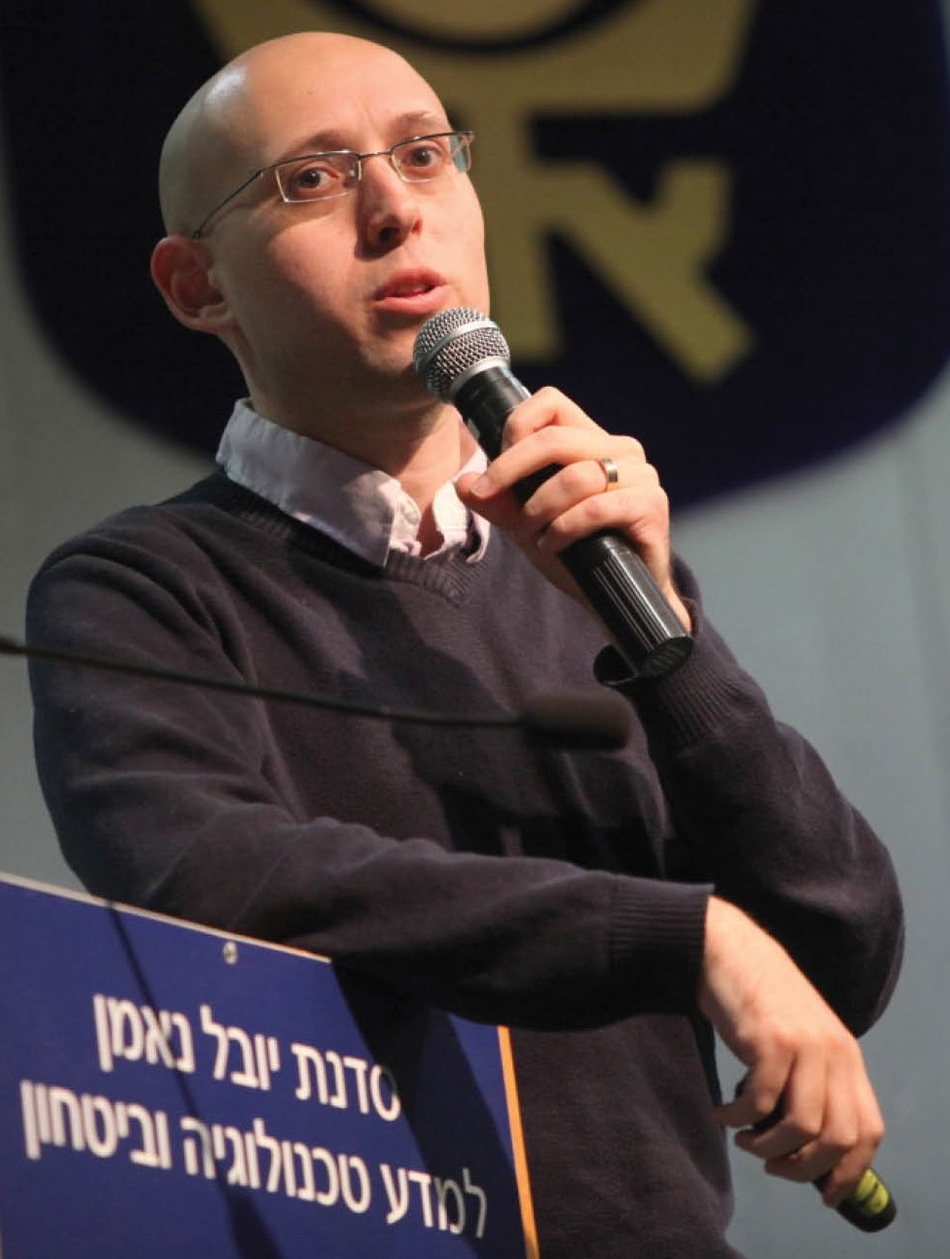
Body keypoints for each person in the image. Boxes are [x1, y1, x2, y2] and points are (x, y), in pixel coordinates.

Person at [26, 31, 903, 1257]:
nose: (395, 210)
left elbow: (835, 949)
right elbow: (211, 876)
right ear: (195, 285)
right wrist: (686, 934)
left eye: (426, 155)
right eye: (312, 180)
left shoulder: (591, 571)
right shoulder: (139, 590)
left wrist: (670, 645)